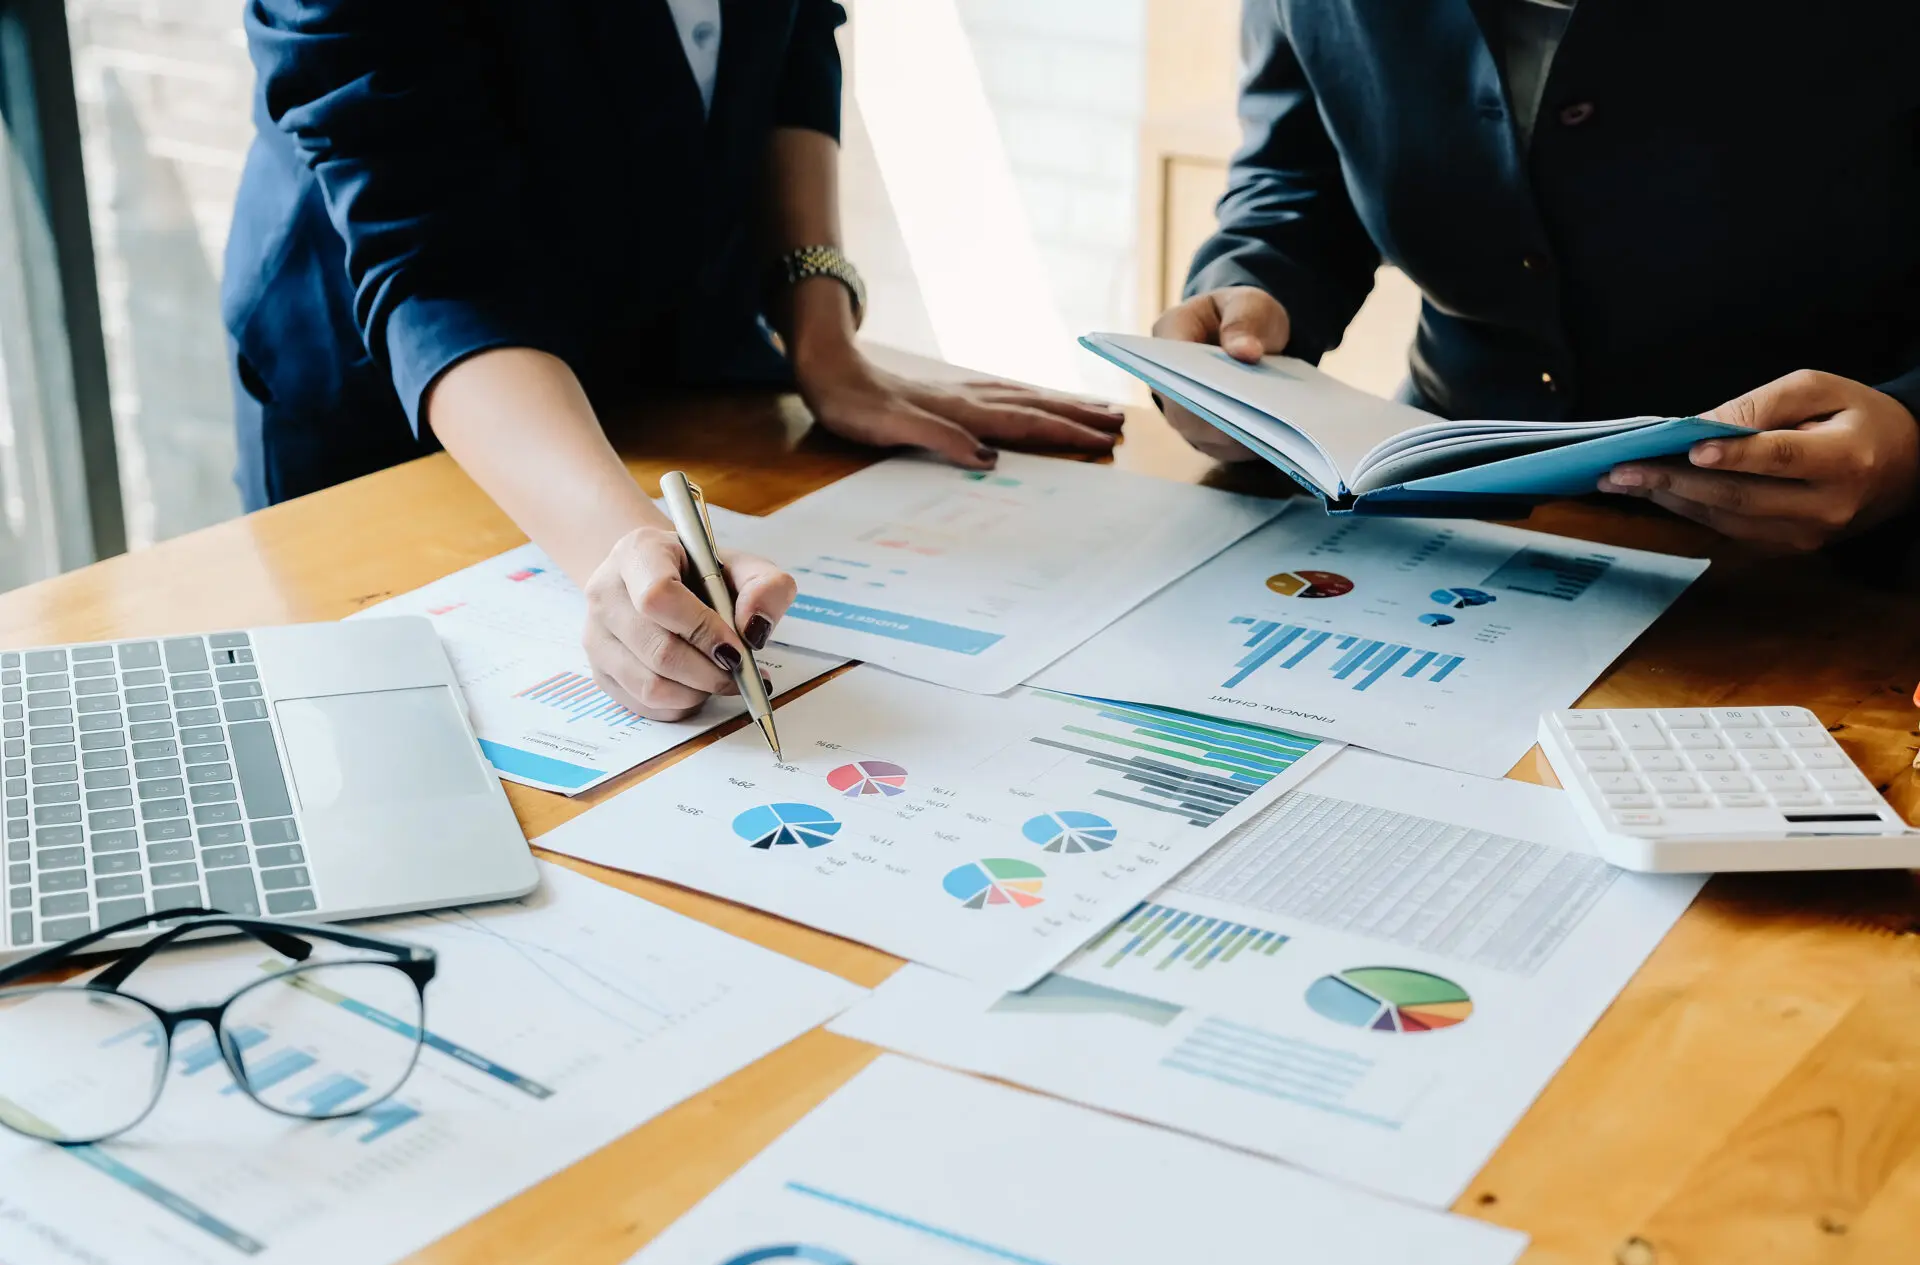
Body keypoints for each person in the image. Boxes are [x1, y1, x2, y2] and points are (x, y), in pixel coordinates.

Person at [223, 1, 1123, 720]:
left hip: (679, 341)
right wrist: (623, 547)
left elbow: (795, 33)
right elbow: (436, 267)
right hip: (410, 403)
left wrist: (823, 339)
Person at [1153, 1, 1920, 553]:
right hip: (1434, 507)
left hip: (1823, 561)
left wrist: (1911, 443)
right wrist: (1246, 298)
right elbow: (1297, 175)